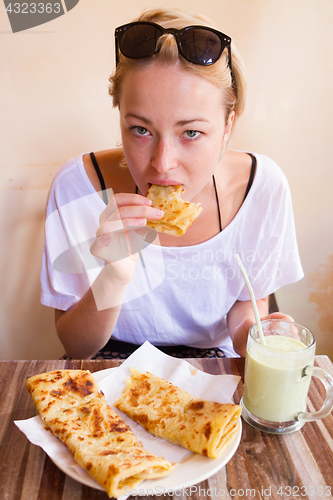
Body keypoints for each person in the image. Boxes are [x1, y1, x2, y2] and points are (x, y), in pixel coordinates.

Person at [41, 7, 303, 360]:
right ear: (119, 115)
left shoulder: (262, 188)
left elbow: (244, 309)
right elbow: (76, 347)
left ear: (228, 123)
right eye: (141, 130)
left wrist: (257, 338)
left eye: (191, 132)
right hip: (107, 361)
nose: (162, 163)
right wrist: (114, 277)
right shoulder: (77, 188)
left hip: (212, 363)